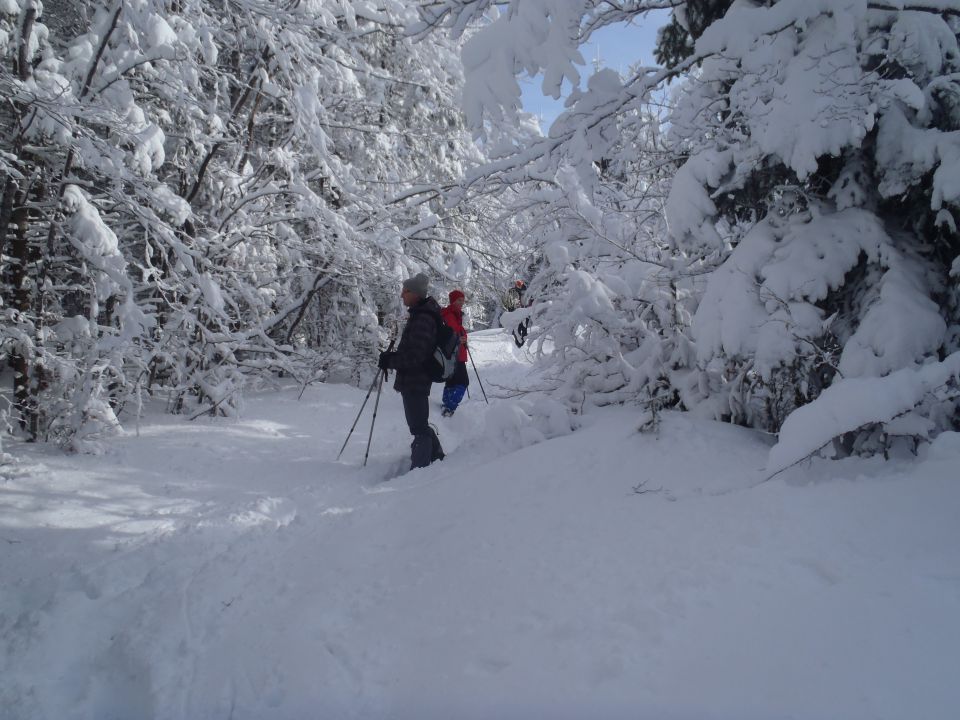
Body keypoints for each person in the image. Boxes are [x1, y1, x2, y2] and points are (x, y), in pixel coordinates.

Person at [378, 273, 445, 470]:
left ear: (415, 293)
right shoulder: (420, 314)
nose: (401, 295)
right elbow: (413, 350)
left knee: (418, 427)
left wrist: (390, 360)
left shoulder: (423, 318)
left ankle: (420, 469)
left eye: (405, 291)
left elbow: (416, 356)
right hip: (415, 379)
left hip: (417, 379)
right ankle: (437, 456)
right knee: (419, 424)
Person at [440, 289, 469, 417]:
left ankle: (446, 403)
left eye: (462, 300)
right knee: (463, 382)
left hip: (455, 353)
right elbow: (454, 333)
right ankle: (449, 408)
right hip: (455, 354)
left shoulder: (454, 314)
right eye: (459, 300)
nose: (461, 303)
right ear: (453, 301)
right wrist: (461, 337)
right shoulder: (450, 315)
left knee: (452, 381)